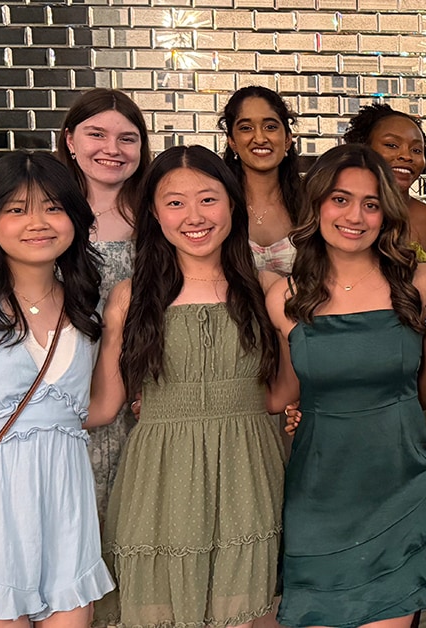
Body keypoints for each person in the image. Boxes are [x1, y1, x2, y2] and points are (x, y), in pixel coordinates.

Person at [88, 146, 285, 628]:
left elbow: (279, 396)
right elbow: (105, 405)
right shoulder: (130, 297)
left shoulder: (270, 288)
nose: (194, 216)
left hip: (248, 473)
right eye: (174, 202)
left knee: (247, 611)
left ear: (232, 205)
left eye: (208, 199)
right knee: (160, 611)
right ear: (154, 214)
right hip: (159, 480)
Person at [266, 143, 426, 628]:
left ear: (385, 213)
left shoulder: (421, 283)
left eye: (370, 203)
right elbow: (283, 392)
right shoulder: (285, 296)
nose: (356, 216)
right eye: (341, 199)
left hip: (398, 490)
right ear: (318, 203)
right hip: (317, 496)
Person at [0, 151, 112, 627]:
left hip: (66, 499)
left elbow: (99, 407)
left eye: (52, 207)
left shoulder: (86, 307)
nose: (37, 223)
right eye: (17, 209)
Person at [58, 87, 151, 525]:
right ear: (70, 140)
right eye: (97, 134)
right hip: (66, 400)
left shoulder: (159, 218)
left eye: (127, 138)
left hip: (144, 402)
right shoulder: (46, 217)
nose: (112, 150)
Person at [344, 103, 426, 281]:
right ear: (362, 148)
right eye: (392, 145)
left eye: (416, 150)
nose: (407, 156)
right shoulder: (337, 217)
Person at [220, 85, 305, 276]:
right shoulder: (216, 204)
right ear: (232, 141)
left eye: (270, 127)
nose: (259, 138)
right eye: (246, 128)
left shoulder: (311, 203)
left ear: (287, 139)